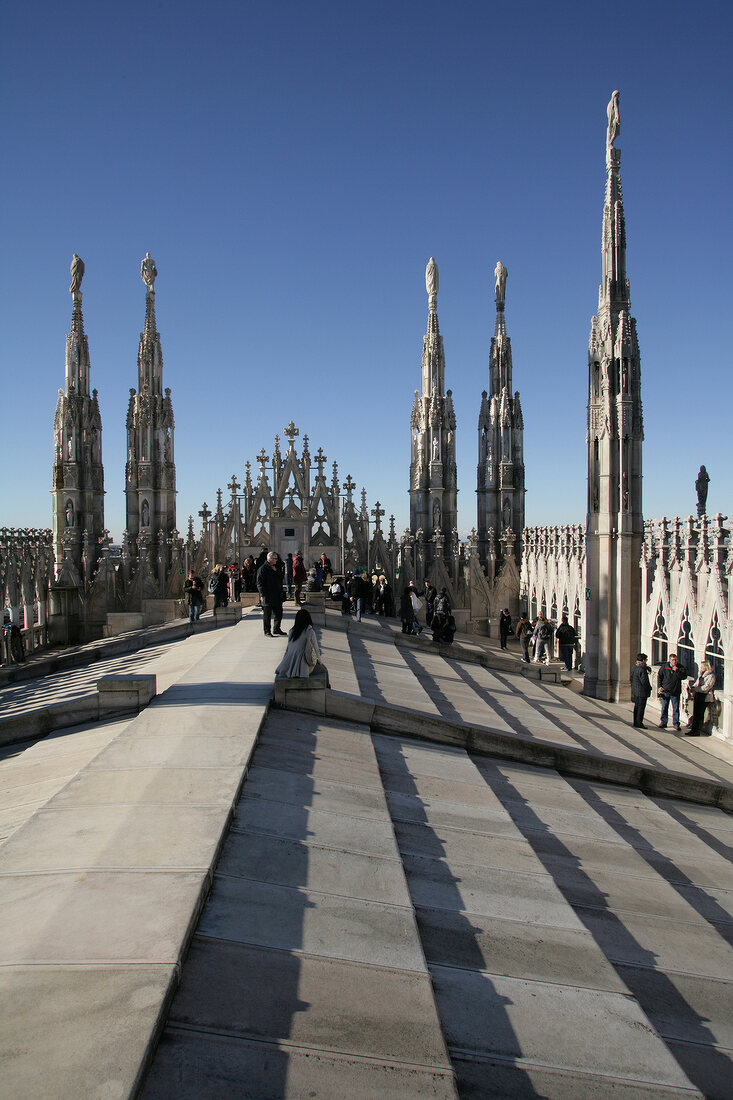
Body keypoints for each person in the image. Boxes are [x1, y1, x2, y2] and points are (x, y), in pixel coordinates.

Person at [275, 609, 329, 685]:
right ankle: (327, 688)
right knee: (325, 671)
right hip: (303, 664)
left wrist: (283, 663)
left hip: (290, 662)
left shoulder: (292, 631)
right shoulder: (309, 631)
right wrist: (320, 662)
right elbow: (316, 650)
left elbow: (287, 649)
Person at [657, 653, 688, 731]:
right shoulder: (664, 667)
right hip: (665, 691)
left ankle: (676, 723)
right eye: (673, 660)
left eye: (675, 660)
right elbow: (660, 676)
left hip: (675, 691)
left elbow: (684, 676)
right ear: (669, 660)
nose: (674, 661)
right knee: (664, 707)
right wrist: (660, 686)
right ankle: (663, 722)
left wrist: (677, 671)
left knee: (676, 708)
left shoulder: (680, 667)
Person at [257, 551, 286, 637]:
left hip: (276, 594)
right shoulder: (263, 569)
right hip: (267, 594)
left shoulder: (276, 567)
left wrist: (277, 571)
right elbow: (260, 583)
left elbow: (281, 577)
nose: (276, 560)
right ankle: (267, 631)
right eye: (275, 559)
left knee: (279, 612)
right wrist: (262, 594)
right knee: (267, 614)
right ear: (270, 559)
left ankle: (276, 628)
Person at [686, 661, 716, 736]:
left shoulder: (711, 676)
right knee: (695, 713)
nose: (701, 668)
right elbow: (697, 683)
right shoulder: (701, 675)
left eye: (702, 666)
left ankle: (697, 730)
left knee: (700, 714)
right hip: (698, 695)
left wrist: (696, 689)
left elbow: (706, 687)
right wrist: (693, 686)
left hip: (705, 697)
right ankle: (693, 729)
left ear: (706, 667)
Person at [630, 653, 652, 728]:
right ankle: (639, 723)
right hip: (642, 692)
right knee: (641, 708)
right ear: (643, 660)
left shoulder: (634, 666)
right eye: (646, 660)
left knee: (636, 707)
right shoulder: (642, 669)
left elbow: (631, 677)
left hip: (635, 690)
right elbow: (644, 682)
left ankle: (635, 722)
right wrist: (649, 688)